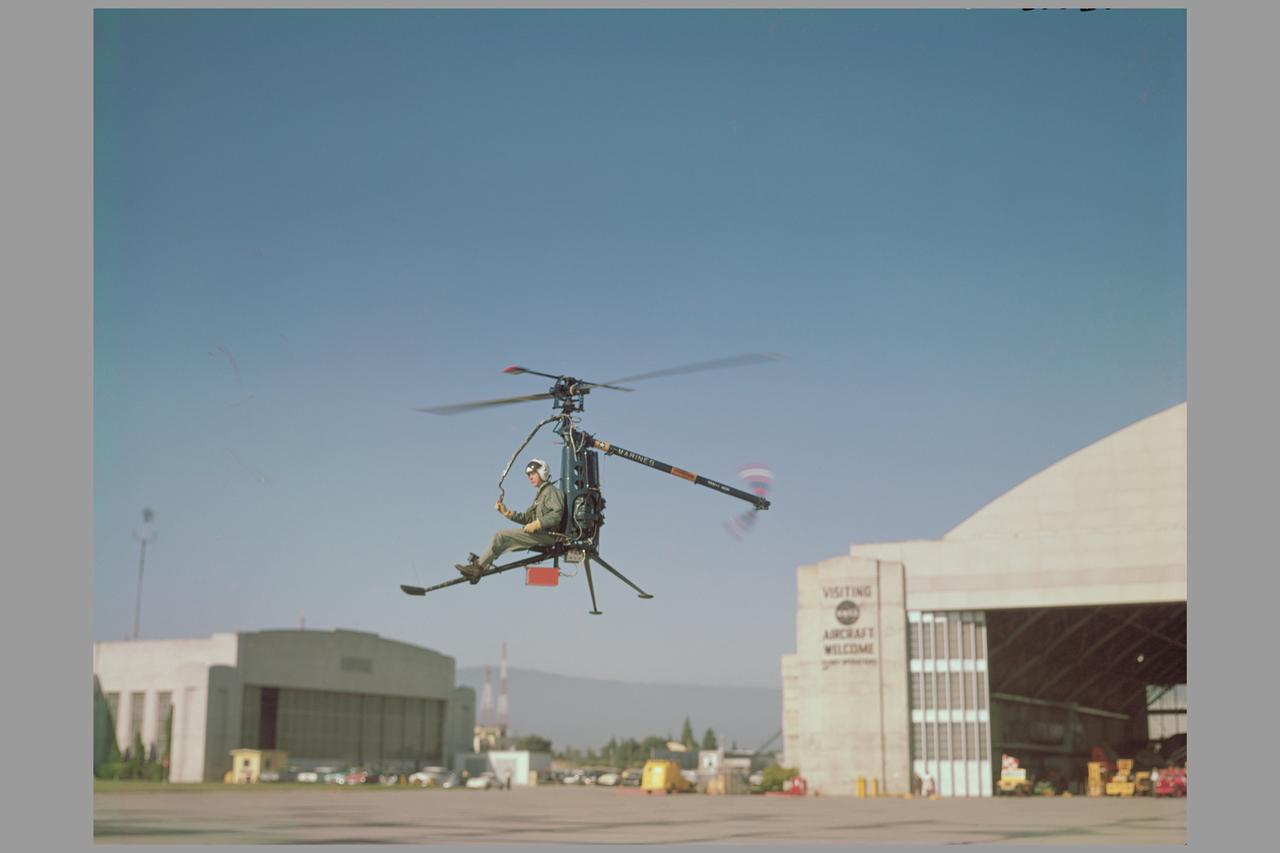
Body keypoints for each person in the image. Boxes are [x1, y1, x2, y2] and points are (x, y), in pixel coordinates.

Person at [456, 458, 565, 582]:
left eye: (533, 473)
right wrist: (507, 513)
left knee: (501, 536)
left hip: (549, 535)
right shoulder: (540, 495)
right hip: (542, 533)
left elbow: (557, 515)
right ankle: (480, 567)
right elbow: (528, 518)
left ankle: (478, 568)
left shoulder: (551, 491)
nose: (530, 477)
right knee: (502, 541)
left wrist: (538, 523)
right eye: (529, 475)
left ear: (543, 473)